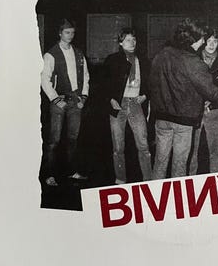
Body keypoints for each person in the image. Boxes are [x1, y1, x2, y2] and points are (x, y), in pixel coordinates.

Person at [150, 18, 218, 180]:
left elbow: (152, 84)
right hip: (183, 121)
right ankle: (179, 195)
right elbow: (211, 92)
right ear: (194, 39)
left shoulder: (162, 54)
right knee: (180, 165)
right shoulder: (192, 61)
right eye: (202, 39)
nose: (203, 42)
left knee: (160, 162)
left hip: (162, 118)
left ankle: (156, 192)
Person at [40, 19, 89, 186]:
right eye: (67, 32)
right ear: (60, 33)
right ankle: (49, 175)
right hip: (59, 101)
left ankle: (72, 171)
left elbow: (86, 77)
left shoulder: (79, 54)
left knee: (73, 139)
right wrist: (55, 99)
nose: (70, 35)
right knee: (54, 140)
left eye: (73, 32)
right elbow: (45, 80)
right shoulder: (51, 54)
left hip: (76, 101)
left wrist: (83, 97)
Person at [101, 28, 152, 184]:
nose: (132, 42)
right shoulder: (112, 60)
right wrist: (111, 99)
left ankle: (148, 178)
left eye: (134, 39)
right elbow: (103, 84)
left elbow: (151, 82)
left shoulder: (143, 60)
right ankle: (120, 179)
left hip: (136, 103)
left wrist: (145, 95)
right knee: (118, 146)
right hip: (118, 104)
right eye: (128, 40)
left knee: (143, 144)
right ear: (121, 42)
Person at [188, 29, 218, 175]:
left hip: (214, 111)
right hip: (194, 111)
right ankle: (189, 181)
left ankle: (217, 181)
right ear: (203, 42)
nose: (211, 44)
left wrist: (212, 101)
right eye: (208, 41)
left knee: (215, 152)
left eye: (215, 41)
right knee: (191, 151)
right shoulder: (193, 59)